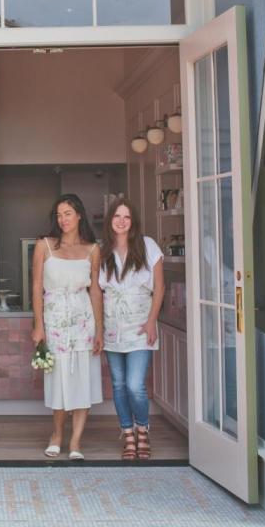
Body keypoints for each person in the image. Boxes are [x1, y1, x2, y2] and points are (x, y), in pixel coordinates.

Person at [30, 194, 104, 460]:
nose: (63, 219)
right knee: (59, 380)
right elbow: (37, 287)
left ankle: (75, 442)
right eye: (59, 215)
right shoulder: (45, 246)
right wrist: (38, 325)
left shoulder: (93, 249)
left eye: (68, 214)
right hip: (55, 321)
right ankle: (57, 435)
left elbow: (95, 290)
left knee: (82, 380)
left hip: (83, 320)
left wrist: (100, 330)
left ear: (79, 215)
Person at [99, 198, 165, 460]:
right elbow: (97, 289)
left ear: (133, 221)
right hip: (112, 324)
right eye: (117, 216)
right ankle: (127, 432)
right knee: (118, 384)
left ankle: (142, 429)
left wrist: (151, 321)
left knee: (135, 385)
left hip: (140, 324)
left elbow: (159, 287)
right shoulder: (102, 251)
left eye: (126, 217)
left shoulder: (148, 246)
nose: (121, 221)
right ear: (110, 221)